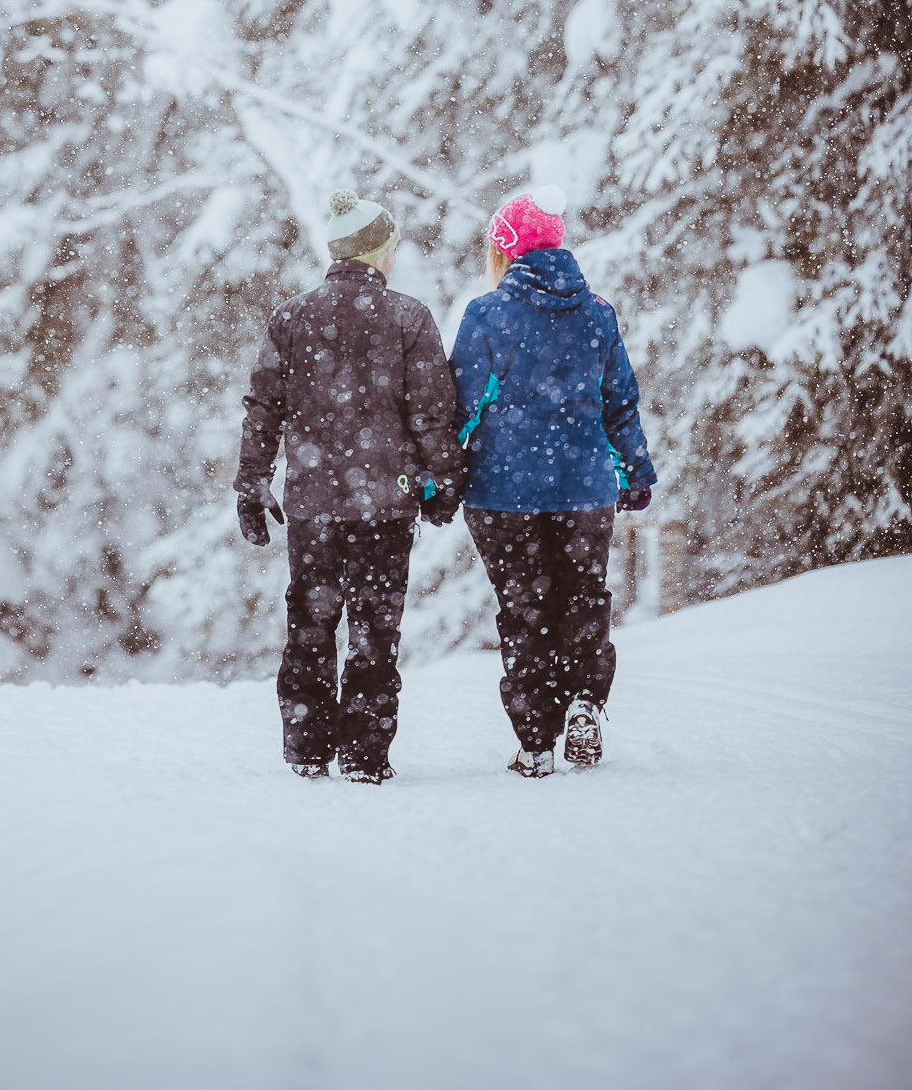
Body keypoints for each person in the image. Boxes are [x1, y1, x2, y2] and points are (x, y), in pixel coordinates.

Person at [235, 189, 463, 783]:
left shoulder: (292, 317)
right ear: (379, 250)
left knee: (310, 622)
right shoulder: (408, 317)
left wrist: (253, 480)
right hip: (388, 503)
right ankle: (365, 753)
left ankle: (308, 747)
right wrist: (444, 482)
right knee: (374, 628)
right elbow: (432, 413)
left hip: (313, 504)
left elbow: (264, 407)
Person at [450, 186, 656, 778]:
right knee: (585, 596)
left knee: (524, 610)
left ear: (505, 249)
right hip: (586, 486)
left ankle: (535, 741)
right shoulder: (597, 312)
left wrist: (442, 477)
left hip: (504, 491)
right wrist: (634, 469)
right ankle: (586, 702)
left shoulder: (487, 314)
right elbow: (620, 403)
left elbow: (459, 406)